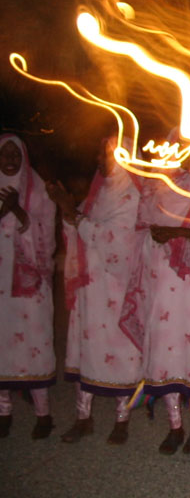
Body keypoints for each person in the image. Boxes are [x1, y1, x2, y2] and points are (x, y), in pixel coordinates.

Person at [121, 140, 190, 454]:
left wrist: (181, 234)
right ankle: (174, 425)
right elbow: (141, 229)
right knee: (165, 352)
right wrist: (157, 236)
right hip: (162, 285)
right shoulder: (157, 187)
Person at [46, 137, 144, 445]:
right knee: (85, 349)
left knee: (119, 351)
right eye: (100, 153)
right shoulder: (100, 189)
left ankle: (121, 419)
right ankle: (82, 417)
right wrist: (69, 214)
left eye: (109, 154)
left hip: (116, 290)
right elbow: (81, 225)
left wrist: (74, 215)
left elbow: (119, 241)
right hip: (91, 287)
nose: (101, 159)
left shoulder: (132, 193)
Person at [0, 133, 57, 439]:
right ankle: (4, 411)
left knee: (34, 345)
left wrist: (17, 209)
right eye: (4, 154)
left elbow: (45, 234)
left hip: (30, 286)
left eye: (15, 155)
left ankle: (43, 414)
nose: (10, 160)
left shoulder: (37, 192)